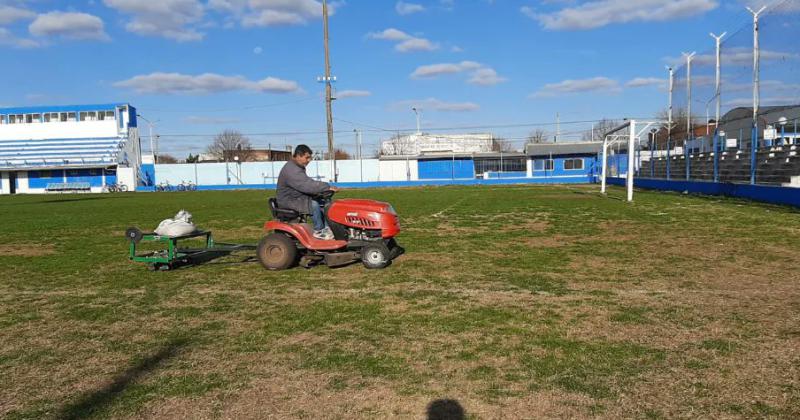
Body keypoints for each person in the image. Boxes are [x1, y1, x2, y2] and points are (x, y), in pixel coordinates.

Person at [276, 145, 339, 240]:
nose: (309, 160)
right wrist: (326, 187)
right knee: (313, 204)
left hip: (295, 196)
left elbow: (307, 183)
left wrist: (324, 189)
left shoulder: (296, 167)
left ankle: (328, 228)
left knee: (325, 202)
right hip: (288, 200)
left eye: (310, 157)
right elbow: (307, 185)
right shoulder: (292, 170)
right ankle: (319, 231)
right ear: (298, 156)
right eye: (307, 157)